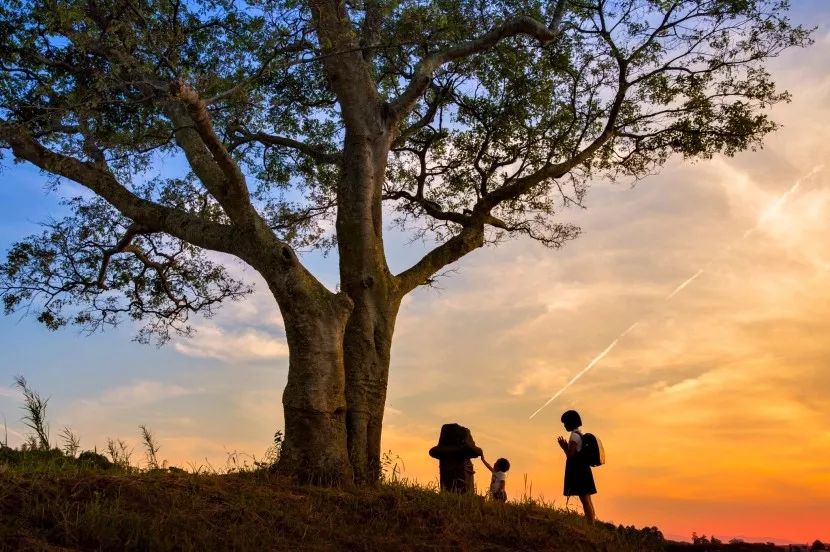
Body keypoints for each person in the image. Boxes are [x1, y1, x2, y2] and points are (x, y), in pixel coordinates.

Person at [557, 409, 596, 522]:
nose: (564, 426)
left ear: (570, 422)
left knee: (584, 498)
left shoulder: (574, 436)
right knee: (587, 498)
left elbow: (570, 455)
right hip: (584, 469)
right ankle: (591, 522)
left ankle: (590, 524)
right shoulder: (580, 434)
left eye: (565, 423)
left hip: (579, 471)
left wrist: (563, 446)